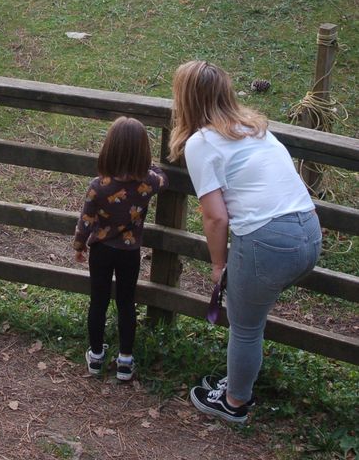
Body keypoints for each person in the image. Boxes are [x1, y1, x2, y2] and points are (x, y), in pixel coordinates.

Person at [170, 60, 322, 424]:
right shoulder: (256, 129)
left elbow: (215, 216)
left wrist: (219, 265)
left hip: (268, 243)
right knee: (252, 316)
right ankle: (240, 381)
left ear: (185, 99)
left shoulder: (202, 142)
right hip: (309, 234)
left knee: (246, 326)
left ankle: (235, 402)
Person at [74, 116, 168, 381]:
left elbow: (85, 221)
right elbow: (164, 177)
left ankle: (95, 356)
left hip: (102, 251)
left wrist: (79, 246)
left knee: (99, 301)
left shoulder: (98, 186)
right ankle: (125, 360)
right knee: (127, 303)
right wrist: (148, 166)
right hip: (129, 253)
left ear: (109, 149)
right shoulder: (147, 183)